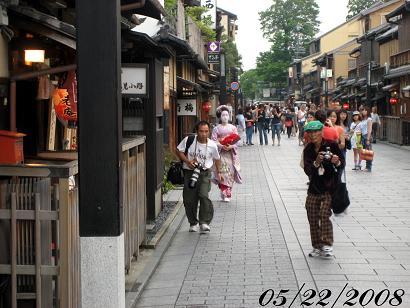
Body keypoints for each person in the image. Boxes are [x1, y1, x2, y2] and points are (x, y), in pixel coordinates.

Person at [303, 120, 345, 258]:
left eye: (316, 131)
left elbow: (342, 164)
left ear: (321, 131)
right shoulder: (308, 149)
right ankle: (317, 246)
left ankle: (327, 244)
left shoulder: (332, 145)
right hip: (314, 188)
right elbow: (308, 171)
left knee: (324, 214)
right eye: (310, 132)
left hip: (329, 187)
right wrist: (317, 162)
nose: (313, 134)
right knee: (312, 216)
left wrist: (336, 161)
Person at [176, 121, 222, 233]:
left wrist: (219, 172)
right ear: (197, 131)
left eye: (206, 131)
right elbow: (178, 150)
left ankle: (204, 222)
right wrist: (187, 161)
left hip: (204, 173)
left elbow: (217, 158)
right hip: (189, 173)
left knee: (203, 195)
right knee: (189, 199)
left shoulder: (212, 145)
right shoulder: (189, 140)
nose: (204, 134)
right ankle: (193, 223)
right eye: (201, 131)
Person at [212, 106, 242, 202]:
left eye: (226, 115)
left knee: (231, 173)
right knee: (223, 171)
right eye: (223, 115)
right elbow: (213, 141)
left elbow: (237, 141)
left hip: (230, 154)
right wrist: (221, 145)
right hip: (221, 154)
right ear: (220, 117)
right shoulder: (216, 129)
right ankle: (226, 193)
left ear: (229, 116)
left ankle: (227, 191)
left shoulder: (233, 128)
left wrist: (231, 146)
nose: (225, 117)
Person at [359, 106, 373, 172]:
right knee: (365, 153)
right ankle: (367, 167)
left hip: (367, 136)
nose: (363, 111)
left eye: (365, 110)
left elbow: (369, 130)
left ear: (368, 111)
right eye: (363, 110)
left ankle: (369, 167)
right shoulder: (362, 120)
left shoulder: (369, 119)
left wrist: (368, 139)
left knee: (369, 152)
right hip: (362, 136)